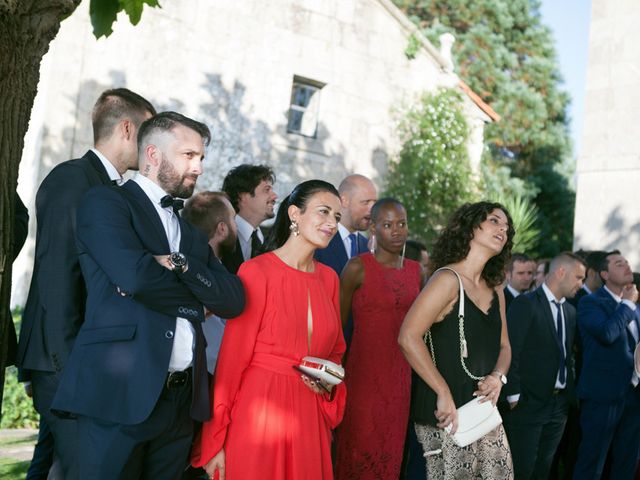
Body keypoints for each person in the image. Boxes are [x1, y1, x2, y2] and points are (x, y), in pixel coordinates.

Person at [51, 112, 245, 479]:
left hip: (180, 404)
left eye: (201, 158)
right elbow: (138, 278)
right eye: (189, 156)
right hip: (118, 396)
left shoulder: (189, 235)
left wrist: (182, 265)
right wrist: (196, 304)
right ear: (153, 155)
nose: (199, 167)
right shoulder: (105, 203)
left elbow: (233, 300)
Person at [16, 88, 156, 479]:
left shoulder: (115, 190)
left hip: (89, 361)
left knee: (60, 468)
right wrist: (69, 367)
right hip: (65, 359)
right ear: (127, 129)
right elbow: (58, 276)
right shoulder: (73, 179)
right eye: (147, 135)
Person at [192, 180, 347, 480]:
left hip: (309, 417)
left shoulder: (330, 280)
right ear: (294, 214)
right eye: (324, 212)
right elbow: (231, 364)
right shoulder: (256, 271)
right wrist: (215, 442)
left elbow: (336, 352)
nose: (332, 224)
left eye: (337, 218)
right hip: (259, 414)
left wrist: (328, 384)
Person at [398, 201, 514, 479]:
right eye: (495, 221)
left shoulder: (495, 288)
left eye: (507, 228)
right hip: (444, 413)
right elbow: (407, 337)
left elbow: (505, 347)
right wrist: (442, 391)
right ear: (471, 227)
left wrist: (498, 377)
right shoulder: (447, 279)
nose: (503, 229)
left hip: (482, 413)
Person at [334, 198, 422, 479]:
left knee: (392, 454)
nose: (397, 231)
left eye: (402, 224)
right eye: (387, 225)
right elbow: (336, 326)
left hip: (401, 379)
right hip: (362, 379)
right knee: (358, 452)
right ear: (373, 228)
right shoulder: (357, 268)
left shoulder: (416, 271)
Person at [504, 253, 586, 479]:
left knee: (543, 471)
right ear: (561, 272)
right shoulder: (526, 304)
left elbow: (568, 355)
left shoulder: (570, 311)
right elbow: (511, 350)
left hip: (559, 405)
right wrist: (513, 395)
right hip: (527, 404)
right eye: (579, 277)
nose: (582, 284)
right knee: (521, 470)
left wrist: (569, 394)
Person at [572, 250, 640, 480]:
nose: (627, 266)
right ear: (604, 274)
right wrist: (628, 305)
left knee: (626, 462)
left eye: (627, 262)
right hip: (602, 396)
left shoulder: (634, 306)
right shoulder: (590, 303)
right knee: (593, 463)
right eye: (619, 264)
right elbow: (607, 333)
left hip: (633, 394)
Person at [182, 191, 238, 373]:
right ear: (222, 229)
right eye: (234, 219)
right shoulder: (203, 278)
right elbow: (215, 350)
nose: (236, 226)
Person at [314, 174, 377, 276]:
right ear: (344, 201)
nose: (372, 209)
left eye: (374, 203)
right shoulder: (318, 241)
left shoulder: (368, 247)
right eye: (366, 202)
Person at [219, 164, 277, 273]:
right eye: (266, 189)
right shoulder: (218, 236)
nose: (275, 196)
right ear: (242, 196)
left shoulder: (271, 241)